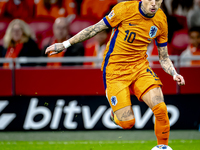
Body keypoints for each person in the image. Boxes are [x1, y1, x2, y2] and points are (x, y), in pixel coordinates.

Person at [45, 0, 185, 148]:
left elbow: (163, 57)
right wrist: (64, 44)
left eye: (157, 0)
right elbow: (94, 29)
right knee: (127, 123)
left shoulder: (161, 20)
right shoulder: (124, 9)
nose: (153, 4)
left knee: (161, 108)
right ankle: (115, 116)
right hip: (115, 70)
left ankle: (162, 147)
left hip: (140, 68)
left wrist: (173, 73)